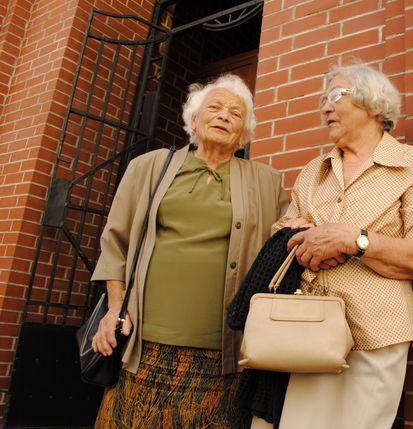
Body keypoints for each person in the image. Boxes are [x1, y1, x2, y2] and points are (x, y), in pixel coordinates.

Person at [90, 73, 289, 428]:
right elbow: (115, 243)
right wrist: (115, 308)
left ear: (243, 135)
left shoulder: (267, 182)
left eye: (235, 113)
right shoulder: (148, 167)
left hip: (224, 352)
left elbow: (283, 244)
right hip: (143, 344)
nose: (224, 115)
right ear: (194, 121)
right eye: (215, 108)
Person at [260, 62, 413, 429]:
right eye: (323, 100)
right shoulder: (314, 171)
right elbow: (281, 232)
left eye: (335, 96)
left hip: (375, 335)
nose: (325, 108)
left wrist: (354, 240)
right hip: (304, 332)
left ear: (374, 104)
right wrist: (296, 234)